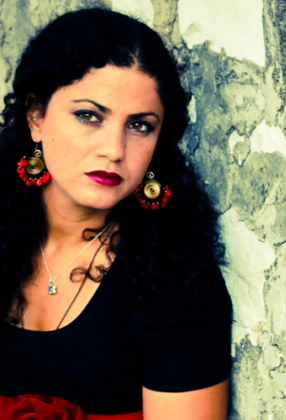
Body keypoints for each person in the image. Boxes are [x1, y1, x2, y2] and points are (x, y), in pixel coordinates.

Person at [0, 7, 232, 420]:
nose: (114, 150)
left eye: (140, 126)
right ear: (36, 116)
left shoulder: (171, 277)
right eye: (89, 116)